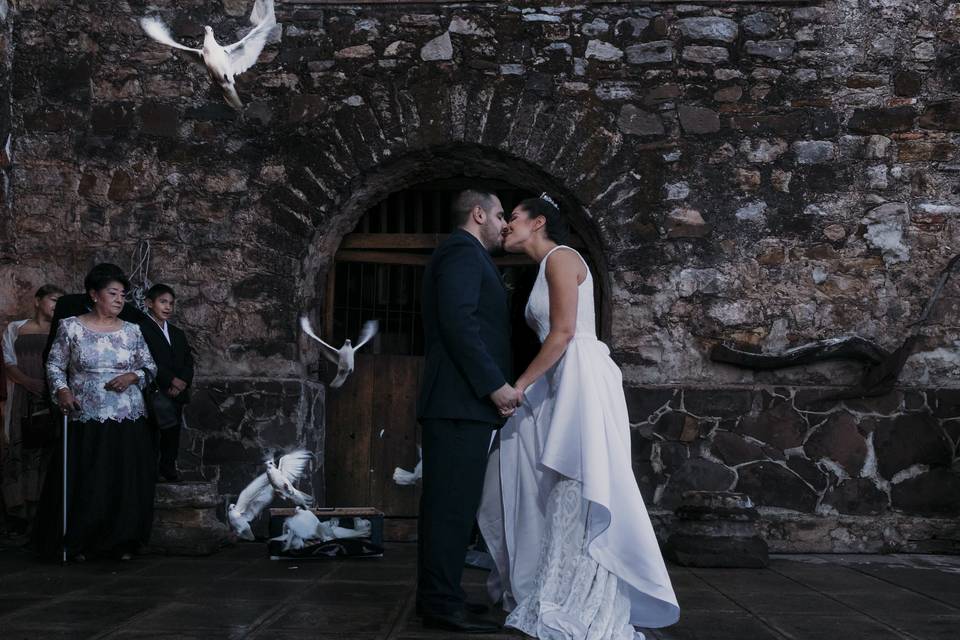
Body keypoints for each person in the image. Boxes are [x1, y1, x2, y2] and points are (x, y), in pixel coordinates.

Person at [477, 195, 680, 639]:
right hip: (561, 378)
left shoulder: (561, 257)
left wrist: (520, 386)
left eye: (513, 218)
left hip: (578, 375)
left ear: (539, 222)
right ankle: (540, 577)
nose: (507, 226)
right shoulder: (545, 265)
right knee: (517, 465)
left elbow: (565, 332)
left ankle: (577, 595)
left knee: (576, 484)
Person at [416, 189, 516, 634]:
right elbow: (458, 323)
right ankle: (440, 604)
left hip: (461, 404)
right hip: (459, 401)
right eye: (498, 216)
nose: (504, 225)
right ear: (478, 214)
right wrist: (494, 385)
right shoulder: (461, 252)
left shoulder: (466, 254)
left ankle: (445, 594)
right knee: (449, 507)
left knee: (455, 506)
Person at [34, 269, 157, 562]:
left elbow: (150, 367)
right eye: (112, 293)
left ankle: (122, 540)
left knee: (122, 478)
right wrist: (62, 391)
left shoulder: (132, 330)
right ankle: (81, 540)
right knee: (88, 477)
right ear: (94, 295)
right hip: (84, 413)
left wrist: (132, 376)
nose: (119, 300)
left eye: (122, 295)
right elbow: (54, 365)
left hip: (126, 414)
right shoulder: (70, 327)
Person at [2, 285, 65, 532]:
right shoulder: (16, 328)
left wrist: (48, 388)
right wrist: (28, 382)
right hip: (20, 395)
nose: (56, 305)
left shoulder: (61, 330)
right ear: (38, 300)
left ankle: (42, 513)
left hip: (49, 397)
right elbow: (7, 361)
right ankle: (18, 512)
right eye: (53, 300)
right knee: (18, 447)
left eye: (60, 302)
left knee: (45, 450)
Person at [141, 284, 194, 482]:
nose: (168, 307)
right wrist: (170, 380)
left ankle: (168, 467)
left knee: (173, 433)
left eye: (171, 303)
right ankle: (150, 471)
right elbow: (146, 359)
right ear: (149, 303)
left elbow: (188, 360)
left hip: (177, 391)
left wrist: (182, 382)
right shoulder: (141, 329)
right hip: (154, 389)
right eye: (163, 302)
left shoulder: (177, 333)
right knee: (153, 433)